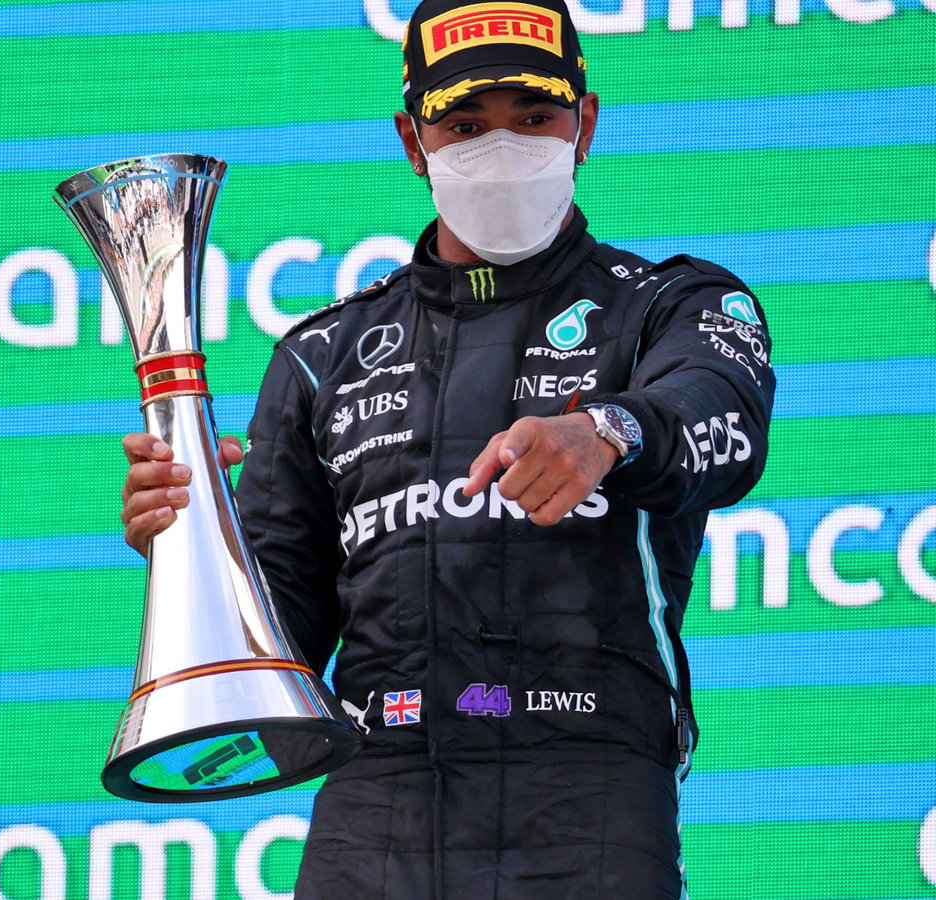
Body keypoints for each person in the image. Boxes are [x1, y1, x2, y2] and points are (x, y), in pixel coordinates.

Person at [119, 0, 774, 895]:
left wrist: (607, 432)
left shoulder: (667, 304)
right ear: (411, 139)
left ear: (585, 124)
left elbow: (723, 421)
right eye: (464, 124)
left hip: (590, 797)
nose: (500, 149)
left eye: (534, 118)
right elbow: (279, 657)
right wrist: (192, 550)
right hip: (375, 808)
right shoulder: (320, 357)